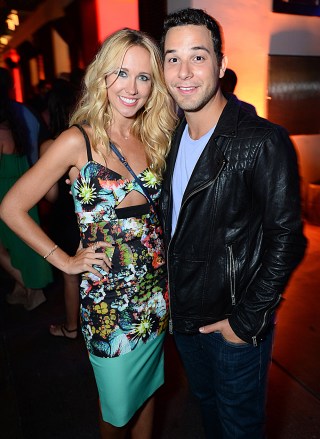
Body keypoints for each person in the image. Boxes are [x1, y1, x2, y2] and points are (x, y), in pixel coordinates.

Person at [0, 28, 176, 438]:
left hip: (154, 296)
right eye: (121, 73)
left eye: (144, 76)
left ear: (154, 86)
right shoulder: (77, 140)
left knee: (150, 395)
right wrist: (65, 260)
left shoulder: (155, 137)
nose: (131, 87)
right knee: (116, 412)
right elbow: (11, 207)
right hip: (108, 305)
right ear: (101, 77)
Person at [160, 8, 307, 439]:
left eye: (198, 57)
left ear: (222, 65)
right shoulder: (168, 138)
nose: (184, 72)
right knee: (205, 408)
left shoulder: (262, 140)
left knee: (239, 426)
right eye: (173, 58)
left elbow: (288, 238)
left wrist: (247, 320)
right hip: (182, 318)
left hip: (233, 325)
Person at [0, 67, 53, 310]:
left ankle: (30, 287)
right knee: (24, 244)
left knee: (9, 245)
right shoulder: (18, 118)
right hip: (25, 187)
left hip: (6, 194)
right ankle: (23, 289)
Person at [40, 78, 80, 339]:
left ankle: (71, 327)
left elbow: (51, 194)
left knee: (70, 275)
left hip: (66, 217)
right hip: (89, 215)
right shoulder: (90, 139)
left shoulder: (50, 145)